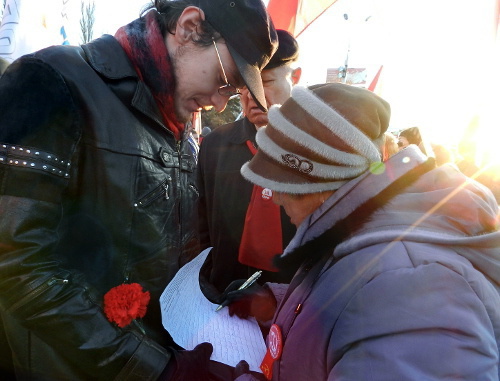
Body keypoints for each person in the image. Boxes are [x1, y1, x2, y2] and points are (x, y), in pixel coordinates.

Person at [0, 0, 278, 379]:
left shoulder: (178, 124)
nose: (217, 102)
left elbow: (161, 255)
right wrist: (157, 369)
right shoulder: (51, 80)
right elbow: (17, 266)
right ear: (190, 26)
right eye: (224, 80)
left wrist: (214, 302)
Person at [228, 83, 500, 380]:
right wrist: (276, 303)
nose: (277, 198)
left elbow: (378, 310)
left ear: (326, 182)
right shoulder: (369, 240)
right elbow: (352, 309)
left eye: (287, 186)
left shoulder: (406, 286)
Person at [197, 30, 302, 300]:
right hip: (221, 297)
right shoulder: (215, 146)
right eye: (243, 85)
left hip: (294, 303)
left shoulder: (318, 148)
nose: (252, 94)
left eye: (264, 81)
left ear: (296, 78)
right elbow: (200, 226)